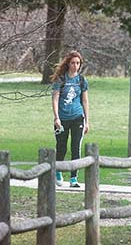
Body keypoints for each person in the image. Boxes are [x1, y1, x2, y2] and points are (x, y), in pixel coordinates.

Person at [51, 50, 90, 187]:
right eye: (73, 63)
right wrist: (56, 118)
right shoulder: (61, 79)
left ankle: (74, 178)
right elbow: (55, 98)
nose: (75, 65)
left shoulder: (81, 80)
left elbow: (85, 101)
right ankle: (59, 172)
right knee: (61, 147)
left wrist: (87, 121)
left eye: (78, 63)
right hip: (62, 118)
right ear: (68, 63)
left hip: (77, 118)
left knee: (76, 147)